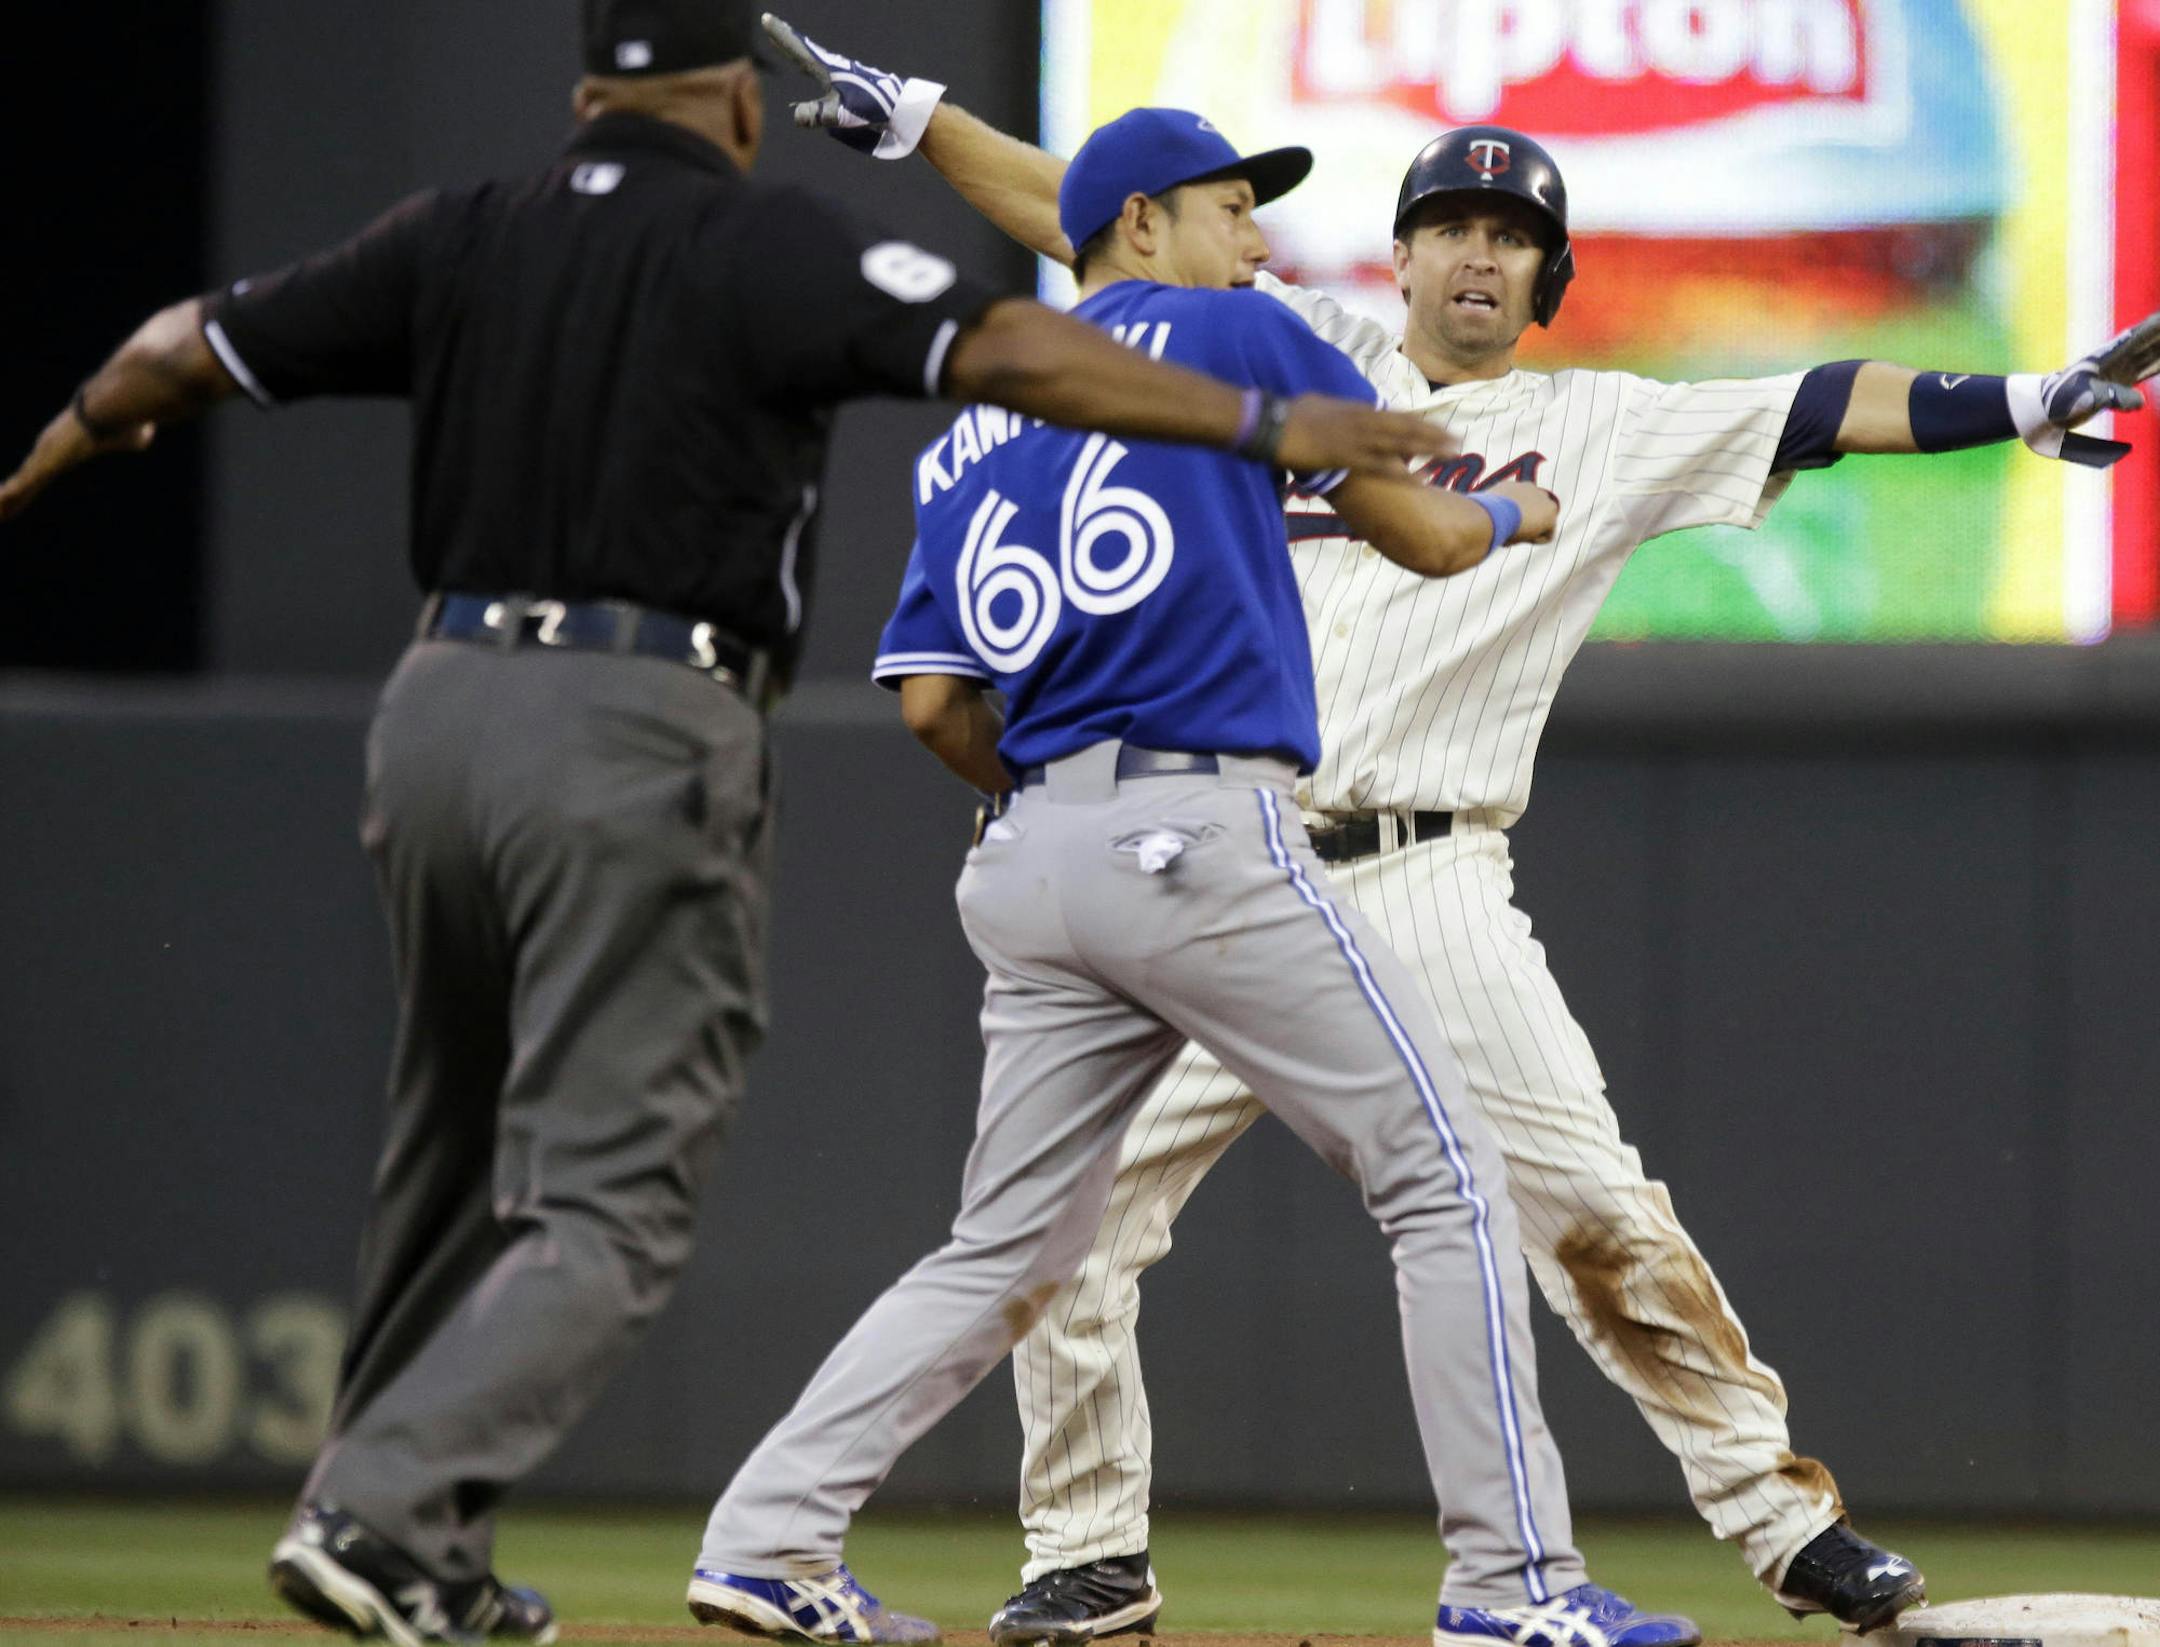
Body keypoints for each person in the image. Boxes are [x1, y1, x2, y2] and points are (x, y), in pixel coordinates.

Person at [0, 5, 1455, 1643]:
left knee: (448, 1172)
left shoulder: (456, 232)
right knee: (614, 1204)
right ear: (741, 112)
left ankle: (423, 1544)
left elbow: (182, 348)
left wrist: (85, 425)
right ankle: (383, 1511)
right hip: (632, 718)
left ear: (582, 92)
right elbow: (1011, 345)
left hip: (432, 720)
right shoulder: (760, 244)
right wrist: (1265, 422)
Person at [756, 17, 2157, 1642]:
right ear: (1400, 250)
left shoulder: (1609, 426)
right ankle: (1089, 1555)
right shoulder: (1297, 346)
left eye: (1514, 239)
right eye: (1454, 229)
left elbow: (1838, 393)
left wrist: (2022, 396)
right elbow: (1099, 213)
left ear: (1544, 279)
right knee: (1071, 1234)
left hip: (1429, 880)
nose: (1481, 258)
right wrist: (926, 119)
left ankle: (1783, 1526)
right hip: (1222, 860)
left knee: (1597, 1222)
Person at [686, 102, 1712, 1647]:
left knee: (1009, 1248)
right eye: (1233, 209)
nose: (1258, 241)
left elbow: (931, 706)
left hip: (1028, 859)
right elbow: (1426, 540)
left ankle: (768, 1540)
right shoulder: (1239, 344)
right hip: (1198, 831)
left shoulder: (980, 413)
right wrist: (1516, 510)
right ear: (1142, 226)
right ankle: (1517, 1588)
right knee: (1444, 1180)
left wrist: (1060, 812)